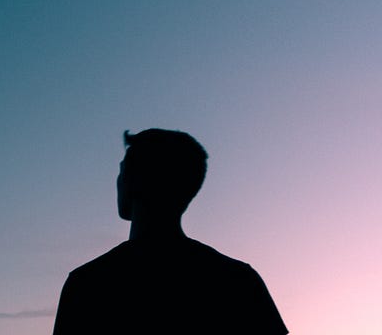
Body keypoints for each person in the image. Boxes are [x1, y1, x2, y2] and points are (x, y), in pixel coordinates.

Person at [52, 129, 286, 334]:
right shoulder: (239, 280)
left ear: (134, 180)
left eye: (122, 170)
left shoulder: (89, 283)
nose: (118, 180)